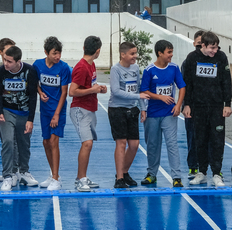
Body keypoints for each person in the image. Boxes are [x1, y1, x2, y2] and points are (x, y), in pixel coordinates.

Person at [182, 31, 232, 187]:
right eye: (212, 48)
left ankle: (217, 173)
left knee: (217, 140)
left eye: (216, 48)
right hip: (198, 107)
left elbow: (226, 81)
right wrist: (187, 104)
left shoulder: (221, 57)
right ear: (202, 45)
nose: (214, 51)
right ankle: (202, 172)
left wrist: (227, 104)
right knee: (200, 140)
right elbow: (187, 83)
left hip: (216, 107)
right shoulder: (192, 58)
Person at [140, 40, 186, 187]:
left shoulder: (174, 68)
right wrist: (160, 97)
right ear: (160, 53)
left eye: (172, 52)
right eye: (169, 52)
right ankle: (151, 174)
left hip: (169, 113)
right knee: (153, 145)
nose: (171, 55)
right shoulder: (149, 70)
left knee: (172, 144)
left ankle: (176, 176)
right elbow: (144, 91)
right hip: (152, 113)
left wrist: (178, 105)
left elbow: (182, 87)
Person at [0, 45, 40, 190]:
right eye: (4, 60)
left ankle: (24, 171)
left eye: (9, 61)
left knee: (24, 143)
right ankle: (8, 175)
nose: (6, 64)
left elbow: (33, 96)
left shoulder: (30, 71)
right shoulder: (0, 71)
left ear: (18, 61)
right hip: (7, 111)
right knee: (8, 141)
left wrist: (30, 119)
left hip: (24, 112)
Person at [33, 36, 72, 190]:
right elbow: (35, 83)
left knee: (54, 142)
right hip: (44, 110)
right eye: (54, 53)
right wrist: (40, 92)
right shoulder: (38, 65)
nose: (58, 56)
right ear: (46, 52)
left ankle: (56, 178)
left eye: (59, 53)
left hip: (58, 110)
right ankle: (53, 174)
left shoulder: (63, 68)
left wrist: (56, 114)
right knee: (46, 142)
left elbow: (64, 93)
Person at [69, 35, 107, 192]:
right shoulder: (81, 67)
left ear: (84, 47)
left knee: (89, 144)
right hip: (80, 109)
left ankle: (82, 176)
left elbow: (90, 85)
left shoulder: (91, 65)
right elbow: (72, 91)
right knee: (87, 143)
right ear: (98, 51)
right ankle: (80, 179)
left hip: (90, 108)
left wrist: (99, 88)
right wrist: (92, 90)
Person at [108, 41, 147, 189]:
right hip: (117, 109)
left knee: (134, 144)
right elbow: (116, 91)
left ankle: (124, 172)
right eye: (132, 54)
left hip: (132, 110)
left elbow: (138, 88)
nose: (135, 56)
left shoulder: (135, 68)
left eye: (136, 53)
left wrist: (143, 108)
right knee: (121, 143)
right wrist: (138, 97)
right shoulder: (115, 70)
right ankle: (119, 178)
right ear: (123, 54)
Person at [180, 30, 205, 178]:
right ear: (194, 43)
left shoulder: (214, 60)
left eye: (203, 43)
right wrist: (186, 104)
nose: (200, 46)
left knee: (210, 138)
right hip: (192, 106)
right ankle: (193, 166)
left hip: (208, 106)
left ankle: (210, 167)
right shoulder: (188, 61)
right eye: (198, 43)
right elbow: (184, 85)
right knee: (192, 136)